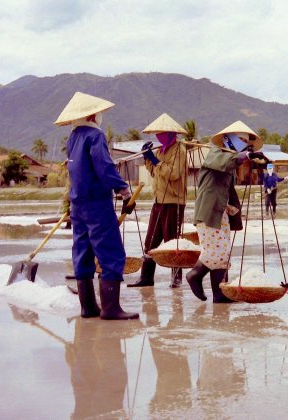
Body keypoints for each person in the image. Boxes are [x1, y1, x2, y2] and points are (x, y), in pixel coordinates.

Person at [54, 91, 138, 320]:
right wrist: (122, 188)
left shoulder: (73, 137)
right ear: (92, 115)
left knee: (82, 251)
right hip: (96, 203)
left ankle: (88, 307)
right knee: (110, 251)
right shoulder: (95, 136)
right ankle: (111, 309)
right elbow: (103, 165)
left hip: (78, 202)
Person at [185, 121, 267, 303]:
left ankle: (219, 294)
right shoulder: (216, 152)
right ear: (227, 139)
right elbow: (225, 162)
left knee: (223, 252)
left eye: (246, 142)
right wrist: (244, 156)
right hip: (208, 210)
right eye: (241, 140)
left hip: (220, 211)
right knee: (218, 250)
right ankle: (195, 275)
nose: (244, 144)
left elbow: (228, 182)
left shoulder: (230, 158)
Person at [130, 113, 188, 289]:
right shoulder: (159, 150)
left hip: (173, 201)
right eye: (157, 134)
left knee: (172, 242)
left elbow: (174, 173)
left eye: (162, 133)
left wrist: (155, 161)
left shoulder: (180, 149)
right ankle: (146, 277)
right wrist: (148, 158)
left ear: (171, 133)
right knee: (151, 241)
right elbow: (155, 172)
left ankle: (176, 279)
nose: (159, 137)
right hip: (159, 200)